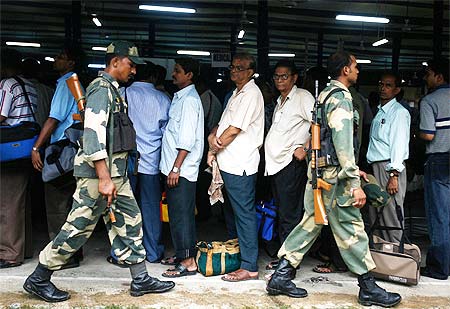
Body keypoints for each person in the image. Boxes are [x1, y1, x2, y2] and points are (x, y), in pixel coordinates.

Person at [23, 41, 175, 303]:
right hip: (99, 177)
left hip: (115, 175)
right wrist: (104, 179)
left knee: (129, 222)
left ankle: (140, 278)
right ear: (115, 62)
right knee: (77, 227)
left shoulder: (112, 90)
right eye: (130, 64)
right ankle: (39, 277)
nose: (134, 71)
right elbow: (93, 137)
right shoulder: (100, 90)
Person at [266, 51, 401, 308]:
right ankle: (368, 286)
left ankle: (282, 275)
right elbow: (342, 143)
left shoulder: (324, 94)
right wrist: (353, 182)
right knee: (352, 229)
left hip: (320, 173)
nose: (358, 71)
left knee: (310, 223)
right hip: (335, 180)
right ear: (345, 70)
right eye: (355, 66)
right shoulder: (340, 98)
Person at [207, 53, 264, 282]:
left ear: (251, 72)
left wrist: (212, 149)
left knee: (244, 215)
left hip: (241, 163)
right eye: (232, 67)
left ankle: (250, 266)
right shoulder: (235, 93)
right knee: (231, 214)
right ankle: (236, 256)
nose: (234, 71)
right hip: (228, 162)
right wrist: (212, 135)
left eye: (240, 68)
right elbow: (221, 124)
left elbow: (233, 130)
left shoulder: (251, 93)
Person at [30, 47, 84, 269]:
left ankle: (62, 254)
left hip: (61, 149)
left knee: (56, 203)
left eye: (61, 57)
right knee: (72, 202)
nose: (56, 60)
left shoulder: (65, 84)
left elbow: (53, 119)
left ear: (71, 63)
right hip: (74, 148)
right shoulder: (77, 83)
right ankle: (74, 251)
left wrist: (36, 147)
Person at [112, 61, 170, 264]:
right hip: (151, 162)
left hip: (126, 160)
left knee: (124, 208)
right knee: (151, 208)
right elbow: (166, 133)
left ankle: (122, 253)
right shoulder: (163, 99)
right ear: (154, 78)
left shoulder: (124, 93)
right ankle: (153, 252)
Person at [264, 60, 313, 269]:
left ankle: (288, 261)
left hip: (290, 164)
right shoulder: (280, 101)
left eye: (284, 76)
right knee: (282, 211)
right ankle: (285, 256)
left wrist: (306, 147)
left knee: (289, 214)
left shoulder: (302, 96)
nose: (279, 80)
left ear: (294, 78)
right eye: (276, 76)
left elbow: (320, 122)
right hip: (276, 165)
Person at [159, 57, 204, 277]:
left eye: (178, 71)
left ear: (189, 75)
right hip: (173, 167)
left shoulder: (189, 101)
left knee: (182, 216)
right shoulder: (180, 98)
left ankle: (188, 262)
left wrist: (176, 168)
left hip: (181, 170)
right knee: (177, 214)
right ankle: (181, 254)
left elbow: (186, 140)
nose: (173, 74)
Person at [0, 48, 38, 269]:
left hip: (8, 151)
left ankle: (9, 253)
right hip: (25, 148)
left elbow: (2, 114)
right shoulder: (29, 86)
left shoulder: (7, 84)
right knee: (20, 202)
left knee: (7, 203)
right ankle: (24, 248)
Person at [366, 71, 410, 243]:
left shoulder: (398, 112)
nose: (383, 88)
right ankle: (382, 255)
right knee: (376, 213)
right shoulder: (380, 111)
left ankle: (396, 256)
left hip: (389, 167)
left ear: (397, 90)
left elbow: (399, 144)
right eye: (381, 84)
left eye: (388, 85)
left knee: (391, 214)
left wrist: (394, 175)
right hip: (377, 167)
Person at [419, 57, 450, 280]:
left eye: (428, 73)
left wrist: (417, 133)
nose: (425, 77)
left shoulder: (430, 100)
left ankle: (439, 267)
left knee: (439, 215)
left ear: (439, 77)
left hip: (439, 159)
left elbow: (428, 134)